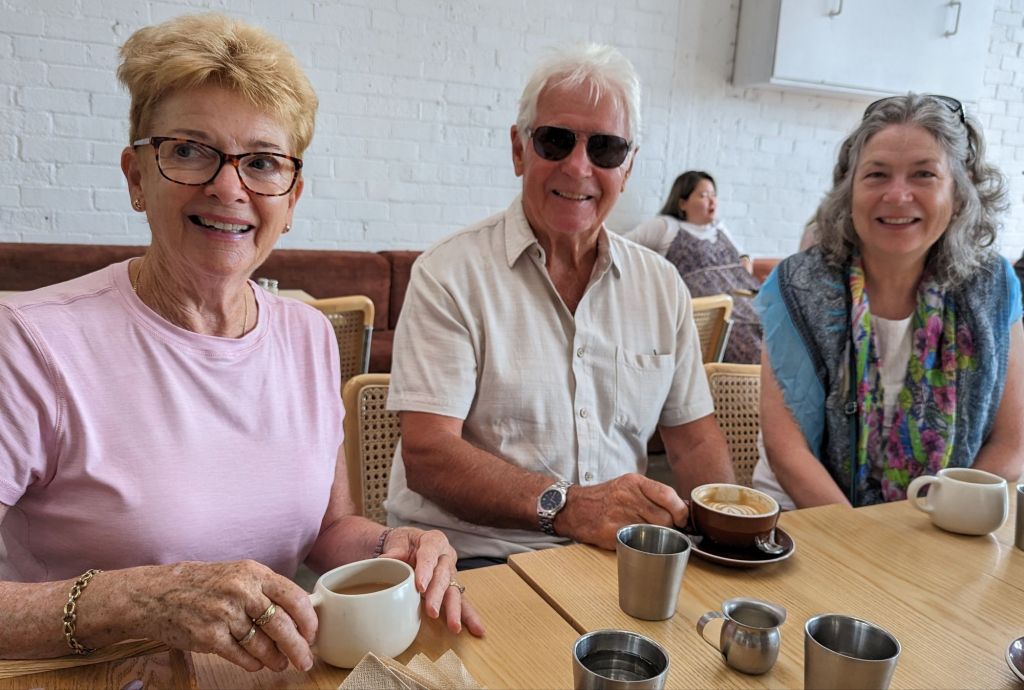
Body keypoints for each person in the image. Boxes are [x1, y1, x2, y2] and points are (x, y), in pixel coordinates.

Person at [0, 13, 482, 671]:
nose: (228, 187)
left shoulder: (308, 335)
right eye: (189, 150)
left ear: (292, 198)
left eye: (261, 163)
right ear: (136, 176)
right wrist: (135, 599)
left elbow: (327, 528)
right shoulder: (31, 343)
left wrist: (393, 547)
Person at [384, 44, 735, 567]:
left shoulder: (662, 285)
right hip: (474, 560)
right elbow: (429, 455)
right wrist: (571, 508)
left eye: (606, 149)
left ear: (628, 167)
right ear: (519, 150)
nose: (578, 167)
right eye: (555, 140)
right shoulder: (449, 274)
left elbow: (693, 444)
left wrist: (730, 542)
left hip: (614, 560)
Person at [753, 93, 1024, 509]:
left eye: (923, 174)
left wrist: (944, 517)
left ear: (959, 191)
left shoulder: (993, 287)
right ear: (849, 190)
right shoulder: (796, 286)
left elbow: (1012, 442)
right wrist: (869, 540)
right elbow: (788, 453)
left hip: (946, 523)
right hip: (808, 519)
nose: (897, 195)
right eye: (877, 175)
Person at [625, 172, 762, 363]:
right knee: (750, 344)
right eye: (704, 196)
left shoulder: (719, 228)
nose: (712, 201)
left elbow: (743, 254)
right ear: (682, 203)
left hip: (747, 300)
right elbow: (622, 247)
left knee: (776, 328)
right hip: (713, 313)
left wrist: (745, 261)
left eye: (714, 195)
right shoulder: (667, 226)